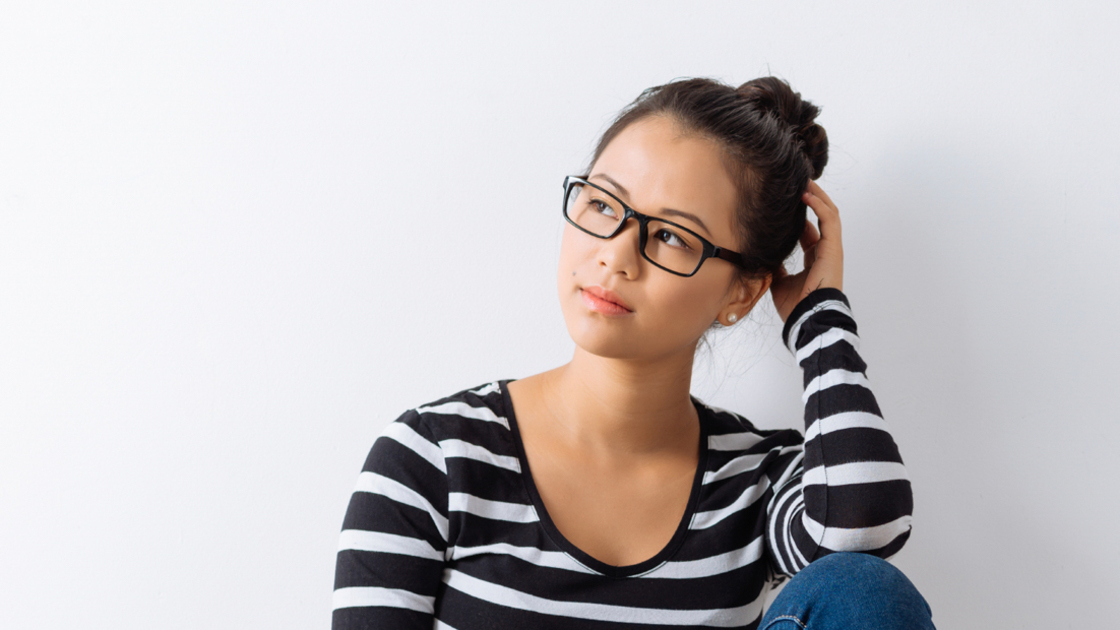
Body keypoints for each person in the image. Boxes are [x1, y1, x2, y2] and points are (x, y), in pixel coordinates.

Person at [331, 76, 935, 629]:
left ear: (742, 291)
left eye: (671, 236)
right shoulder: (433, 458)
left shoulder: (755, 482)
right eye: (602, 204)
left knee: (863, 590)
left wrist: (818, 319)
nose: (615, 255)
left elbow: (865, 527)